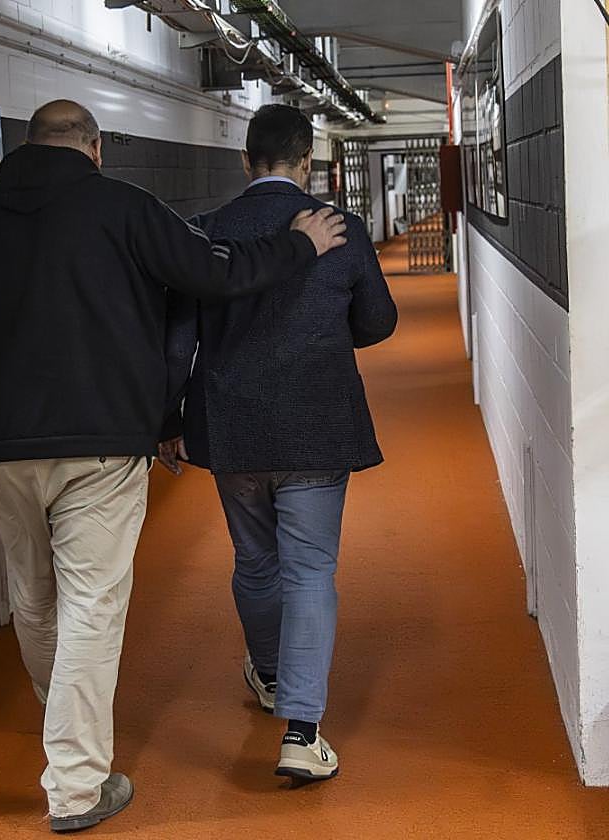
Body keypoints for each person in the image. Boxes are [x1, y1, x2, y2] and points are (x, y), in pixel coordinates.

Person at [0, 99, 347, 833]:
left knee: (33, 600)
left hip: (0, 445)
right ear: (93, 149)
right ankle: (75, 784)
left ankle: (70, 748)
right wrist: (298, 248)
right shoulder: (121, 206)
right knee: (92, 605)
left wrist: (3, 373)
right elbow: (210, 274)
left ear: (27, 147)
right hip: (102, 443)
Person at [159, 103, 398, 784]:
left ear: (245, 160)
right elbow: (376, 323)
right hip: (317, 424)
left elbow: (180, 341)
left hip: (231, 426)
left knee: (256, 562)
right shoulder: (341, 229)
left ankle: (267, 674)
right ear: (306, 161)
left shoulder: (205, 232)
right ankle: (300, 729)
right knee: (311, 570)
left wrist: (167, 419)